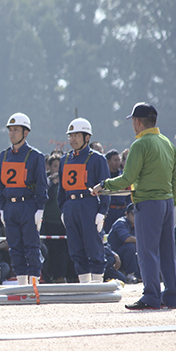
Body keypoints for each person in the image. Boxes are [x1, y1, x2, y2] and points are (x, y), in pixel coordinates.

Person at [92, 102, 176, 310]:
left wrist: (104, 185)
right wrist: (172, 200)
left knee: (147, 251)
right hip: (166, 201)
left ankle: (151, 296)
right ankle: (170, 296)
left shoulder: (140, 145)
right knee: (167, 252)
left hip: (148, 202)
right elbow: (175, 177)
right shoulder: (166, 142)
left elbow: (128, 178)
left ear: (138, 122)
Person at [0, 112, 48, 286]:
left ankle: (34, 284)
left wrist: (40, 208)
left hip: (28, 206)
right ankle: (21, 285)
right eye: (10, 130)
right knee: (15, 248)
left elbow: (42, 185)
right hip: (10, 207)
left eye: (16, 130)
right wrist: (2, 207)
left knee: (32, 247)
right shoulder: (2, 156)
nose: (11, 133)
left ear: (26, 133)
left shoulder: (35, 156)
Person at [58, 118, 110, 283]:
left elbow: (106, 187)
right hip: (70, 206)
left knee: (94, 247)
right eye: (70, 136)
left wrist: (102, 211)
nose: (72, 139)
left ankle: (97, 284)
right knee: (75, 249)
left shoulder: (97, 159)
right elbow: (61, 189)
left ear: (87, 137)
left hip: (89, 205)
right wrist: (62, 210)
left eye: (76, 135)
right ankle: (85, 284)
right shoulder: (64, 160)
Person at [41, 153, 75, 283]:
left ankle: (72, 274)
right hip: (51, 222)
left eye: (60, 166)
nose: (57, 168)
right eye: (55, 166)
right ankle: (57, 275)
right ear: (49, 167)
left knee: (68, 249)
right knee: (54, 251)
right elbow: (44, 199)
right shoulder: (46, 181)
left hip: (65, 221)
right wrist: (52, 184)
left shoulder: (68, 179)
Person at [107, 204, 140, 283]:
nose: (135, 216)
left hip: (126, 256)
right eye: (133, 214)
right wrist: (144, 241)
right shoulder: (121, 223)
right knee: (130, 247)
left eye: (137, 214)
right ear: (126, 214)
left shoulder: (138, 224)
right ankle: (130, 275)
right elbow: (127, 238)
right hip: (113, 255)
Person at [103, 149, 130, 233]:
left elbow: (129, 195)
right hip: (108, 212)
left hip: (121, 211)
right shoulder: (103, 178)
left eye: (119, 160)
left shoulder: (124, 177)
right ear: (108, 161)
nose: (118, 162)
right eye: (115, 160)